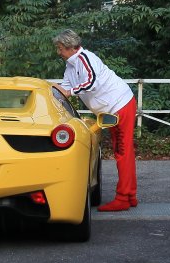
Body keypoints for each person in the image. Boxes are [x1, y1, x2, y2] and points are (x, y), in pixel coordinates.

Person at [53, 29, 138, 211]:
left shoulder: (85, 58)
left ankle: (123, 198)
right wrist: (50, 90)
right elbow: (64, 89)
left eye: (60, 48)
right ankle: (130, 195)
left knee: (122, 151)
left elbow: (92, 82)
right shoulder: (70, 66)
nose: (58, 52)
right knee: (123, 151)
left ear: (70, 47)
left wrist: (70, 91)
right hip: (115, 107)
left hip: (119, 105)